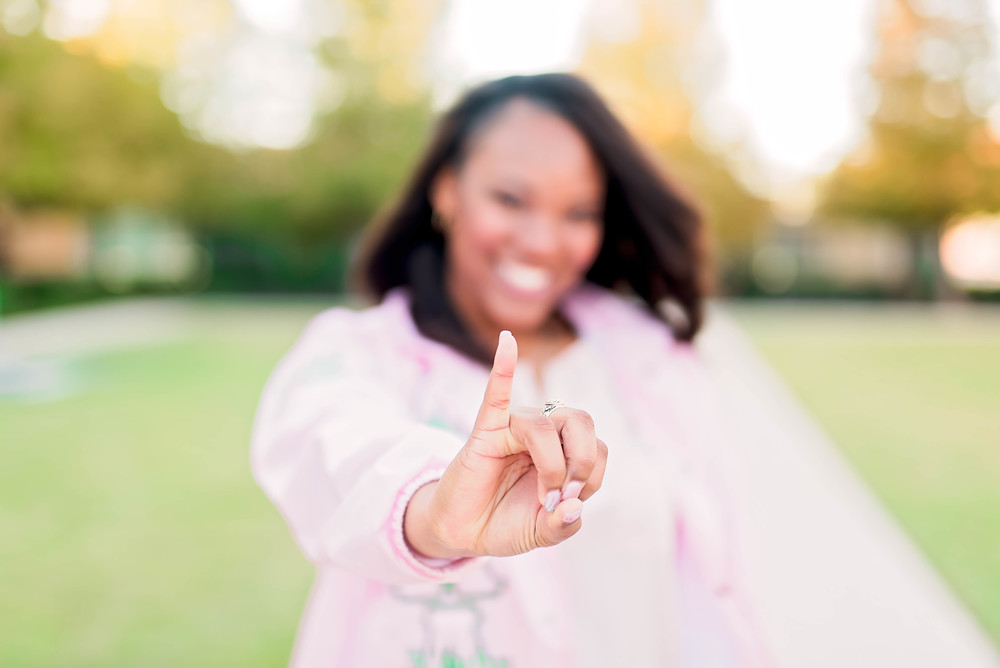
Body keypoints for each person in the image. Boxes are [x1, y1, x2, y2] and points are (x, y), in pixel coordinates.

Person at [251, 73, 771, 667]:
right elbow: (333, 451)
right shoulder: (356, 353)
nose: (543, 242)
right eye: (511, 200)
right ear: (447, 192)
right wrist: (435, 513)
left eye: (578, 213)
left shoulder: (653, 360)